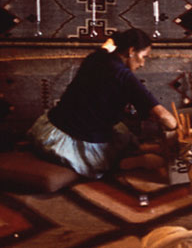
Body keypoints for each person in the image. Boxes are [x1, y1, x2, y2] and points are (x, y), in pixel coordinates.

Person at [29, 29, 179, 178]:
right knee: (104, 162)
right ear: (131, 51)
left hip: (50, 128)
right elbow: (164, 117)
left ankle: (141, 150)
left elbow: (109, 44)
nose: (143, 64)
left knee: (120, 133)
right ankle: (131, 162)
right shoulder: (124, 77)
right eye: (144, 57)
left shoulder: (97, 57)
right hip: (67, 139)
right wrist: (180, 131)